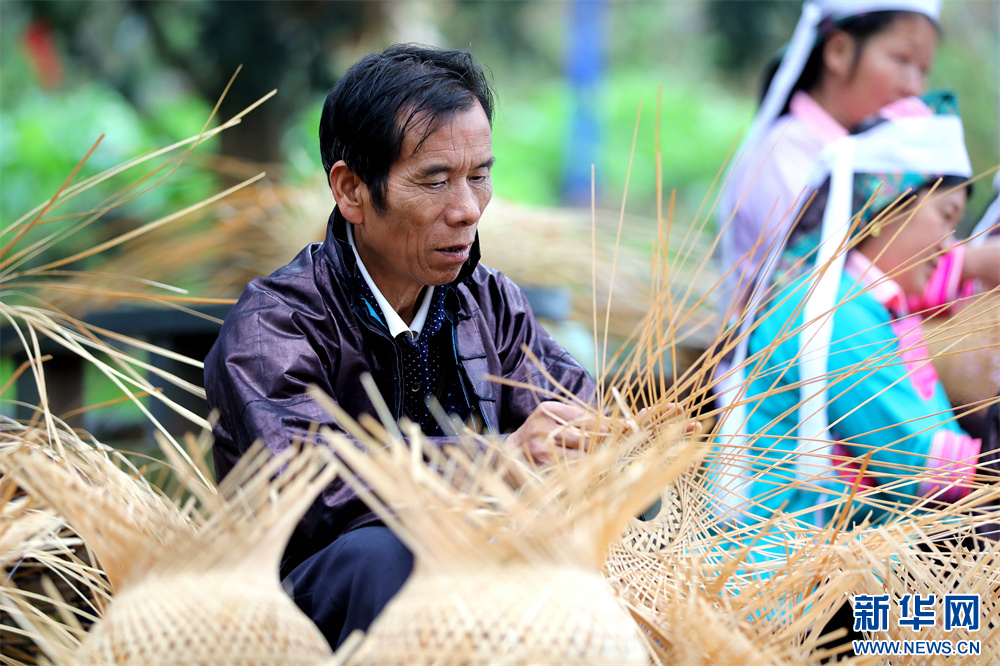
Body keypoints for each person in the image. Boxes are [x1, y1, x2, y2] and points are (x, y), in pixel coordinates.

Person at [203, 44, 599, 649]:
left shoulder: (490, 302)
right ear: (351, 190)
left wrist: (607, 444)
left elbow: (569, 410)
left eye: (479, 176)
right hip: (302, 609)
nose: (466, 210)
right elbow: (312, 486)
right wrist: (495, 461)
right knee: (386, 554)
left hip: (482, 585)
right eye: (435, 180)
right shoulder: (274, 325)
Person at [709, 93, 983, 562]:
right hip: (784, 580)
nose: (949, 247)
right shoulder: (836, 313)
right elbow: (920, 463)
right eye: (946, 217)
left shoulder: (864, 306)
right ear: (889, 206)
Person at [716, 0, 997, 321]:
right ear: (839, 51)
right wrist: (968, 264)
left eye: (923, 70)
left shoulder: (859, 160)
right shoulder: (784, 154)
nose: (914, 87)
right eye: (901, 59)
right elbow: (822, 277)